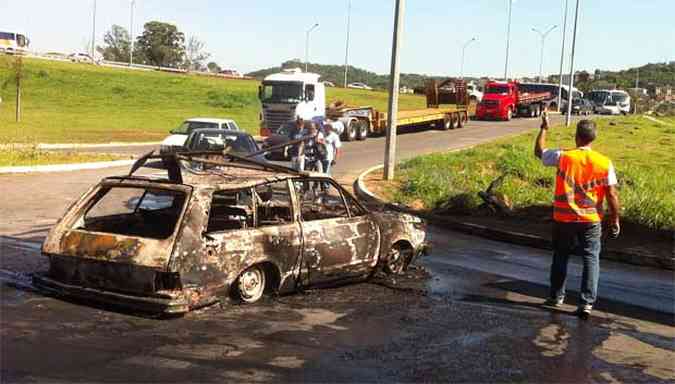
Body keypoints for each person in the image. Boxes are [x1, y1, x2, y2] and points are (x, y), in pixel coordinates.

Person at [534, 111, 621, 319]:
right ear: (594, 138)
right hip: (591, 220)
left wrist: (544, 127)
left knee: (561, 255)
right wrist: (615, 218)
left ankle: (556, 297)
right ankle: (586, 304)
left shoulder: (563, 156)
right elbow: (612, 194)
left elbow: (539, 152)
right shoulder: (604, 162)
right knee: (591, 259)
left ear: (576, 137)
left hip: (563, 219)